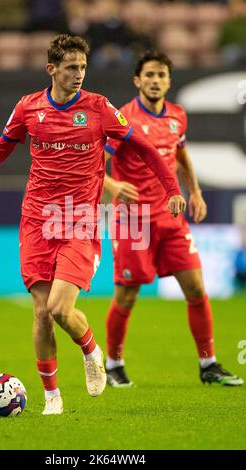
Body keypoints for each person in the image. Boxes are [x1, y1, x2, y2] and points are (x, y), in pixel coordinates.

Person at [0, 36, 186, 415]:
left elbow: (143, 147)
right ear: (52, 69)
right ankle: (52, 398)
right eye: (71, 68)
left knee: (60, 308)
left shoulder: (99, 108)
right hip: (36, 221)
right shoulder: (28, 107)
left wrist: (172, 188)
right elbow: (1, 146)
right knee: (41, 312)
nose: (79, 75)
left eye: (83, 68)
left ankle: (91, 350)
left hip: (79, 219)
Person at [104, 50, 243, 388]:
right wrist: (111, 185)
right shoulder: (122, 118)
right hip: (133, 221)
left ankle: (208, 364)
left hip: (171, 217)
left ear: (168, 81)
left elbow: (181, 154)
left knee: (196, 288)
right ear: (137, 80)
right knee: (127, 296)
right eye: (149, 75)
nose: (155, 81)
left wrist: (194, 191)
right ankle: (113, 364)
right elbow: (94, 159)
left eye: (161, 75)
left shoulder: (177, 116)